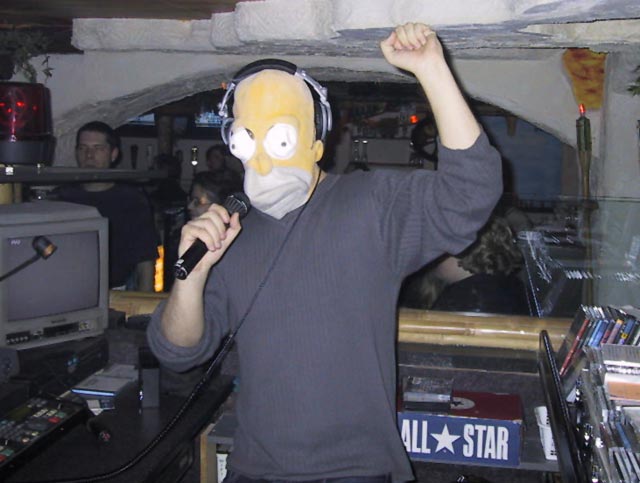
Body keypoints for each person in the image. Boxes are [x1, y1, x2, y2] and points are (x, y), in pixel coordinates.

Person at [147, 23, 502, 482]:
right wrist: (191, 277)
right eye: (247, 139)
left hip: (357, 471)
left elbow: (470, 191)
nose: (262, 159)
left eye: (278, 138)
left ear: (317, 141)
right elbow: (176, 352)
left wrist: (432, 70)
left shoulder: (371, 204)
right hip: (254, 471)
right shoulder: (230, 236)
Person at [54, 121, 159, 291]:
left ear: (113, 154)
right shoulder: (62, 197)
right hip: (67, 288)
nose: (89, 155)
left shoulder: (132, 200)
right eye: (83, 148)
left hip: (118, 290)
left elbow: (145, 260)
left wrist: (144, 301)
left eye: (98, 148)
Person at [428, 216, 530, 315]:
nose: (431, 257)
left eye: (439, 249)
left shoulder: (465, 298)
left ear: (462, 251)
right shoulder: (512, 286)